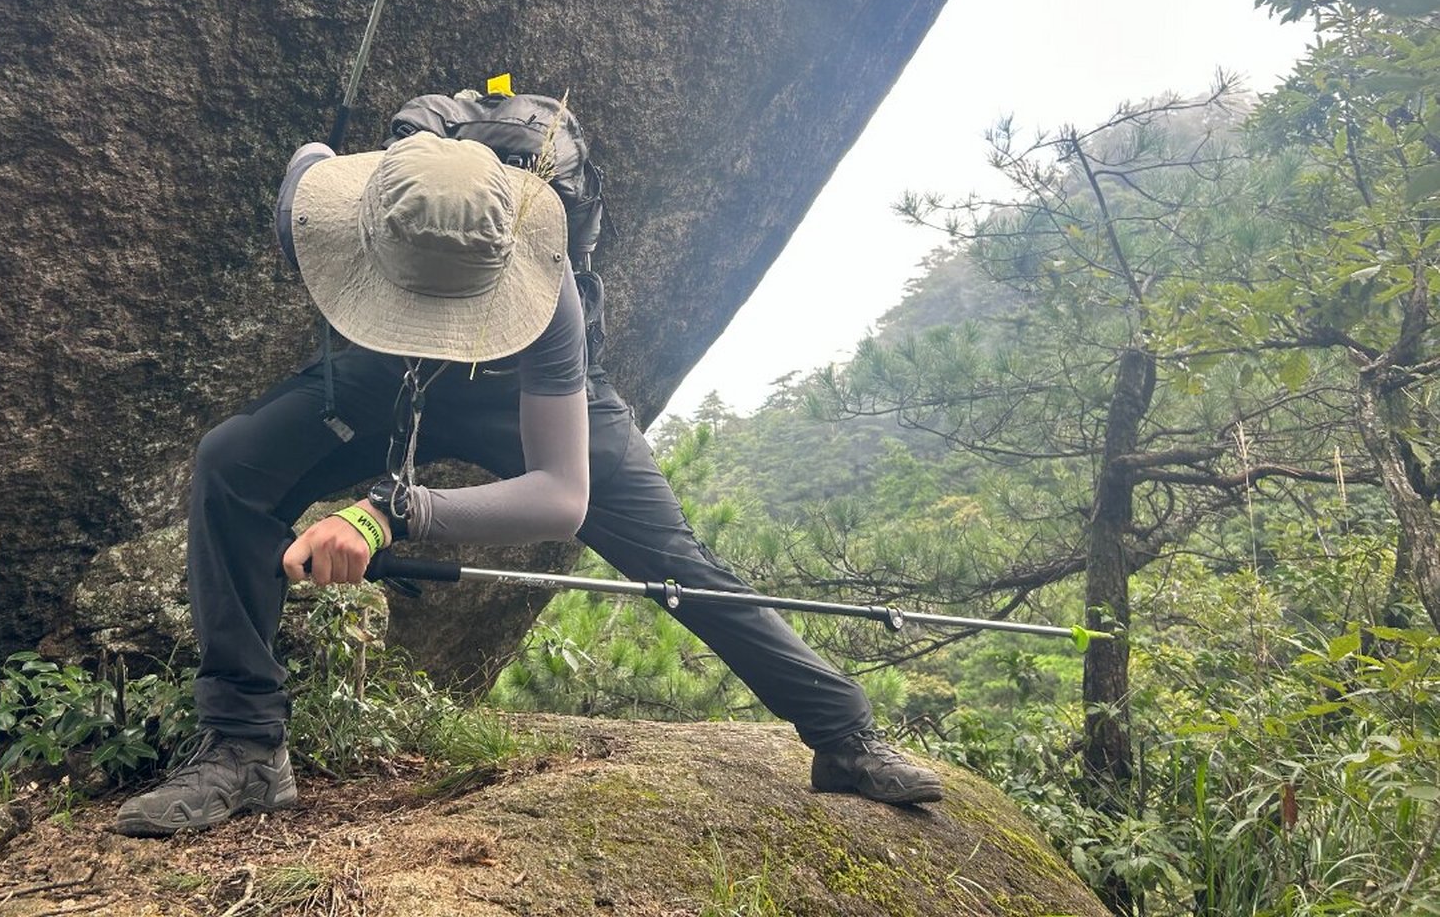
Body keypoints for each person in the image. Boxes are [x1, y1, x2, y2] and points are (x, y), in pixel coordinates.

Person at [114, 127, 942, 836]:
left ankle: (842, 734)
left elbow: (560, 496)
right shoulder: (316, 210)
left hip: (519, 393)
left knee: (676, 562)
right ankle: (245, 748)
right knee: (231, 464)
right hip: (379, 375)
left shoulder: (548, 301)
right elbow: (310, 159)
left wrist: (387, 514)